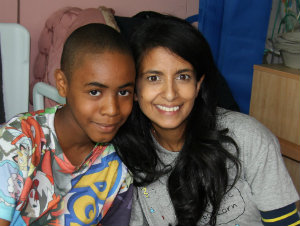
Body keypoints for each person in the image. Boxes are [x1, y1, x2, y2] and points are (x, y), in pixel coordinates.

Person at [116, 15, 300, 226]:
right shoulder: (129, 154)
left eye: (183, 76)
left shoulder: (249, 138)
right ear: (135, 90)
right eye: (153, 78)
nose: (169, 94)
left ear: (198, 85)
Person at [0, 23, 136, 226]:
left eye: (124, 92)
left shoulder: (119, 166)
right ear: (62, 84)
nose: (112, 109)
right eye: (94, 92)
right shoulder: (16, 145)